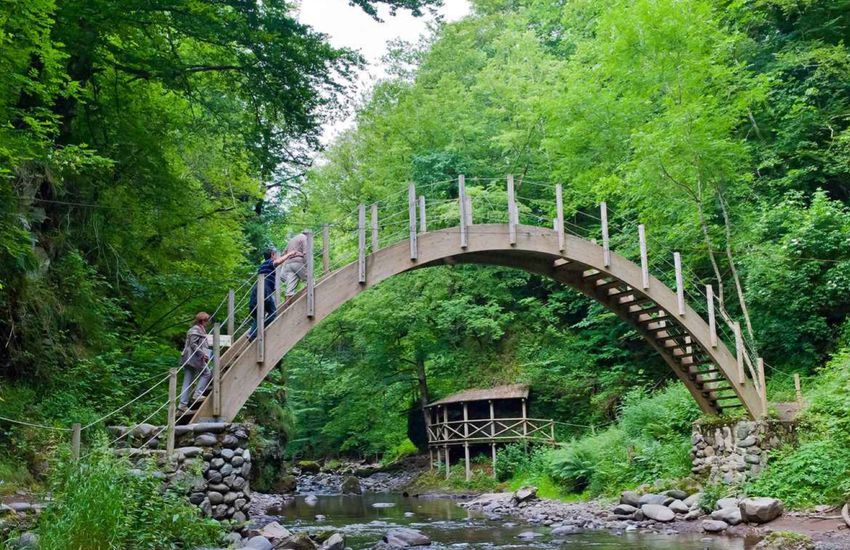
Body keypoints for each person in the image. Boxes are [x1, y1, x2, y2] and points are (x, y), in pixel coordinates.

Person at [248, 247, 293, 340]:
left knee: (259, 314)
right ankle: (256, 332)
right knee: (272, 313)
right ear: (272, 255)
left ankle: (251, 333)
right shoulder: (269, 262)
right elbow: (277, 262)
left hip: (257, 289)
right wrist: (289, 254)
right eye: (275, 255)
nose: (276, 257)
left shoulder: (263, 265)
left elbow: (278, 261)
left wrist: (285, 253)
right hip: (265, 289)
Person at [178, 312, 212, 413]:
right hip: (193, 358)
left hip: (191, 358)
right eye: (207, 320)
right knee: (206, 373)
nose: (208, 322)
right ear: (202, 320)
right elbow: (193, 344)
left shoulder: (198, 329)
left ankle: (182, 405)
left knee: (187, 381)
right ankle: (198, 393)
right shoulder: (196, 329)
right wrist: (203, 354)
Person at [281, 230, 309, 309]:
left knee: (289, 290)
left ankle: (286, 309)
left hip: (288, 265)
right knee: (310, 281)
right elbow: (305, 252)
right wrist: (307, 265)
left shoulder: (292, 240)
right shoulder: (304, 238)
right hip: (297, 263)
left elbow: (284, 253)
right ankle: (303, 301)